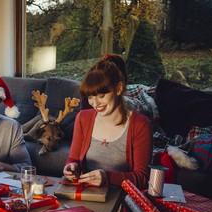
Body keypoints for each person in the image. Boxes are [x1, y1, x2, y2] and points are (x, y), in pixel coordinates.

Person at [63, 57, 153, 188]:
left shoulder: (140, 125)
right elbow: (73, 158)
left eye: (101, 96)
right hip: (86, 194)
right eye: (90, 97)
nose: (95, 103)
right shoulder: (82, 118)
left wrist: (108, 178)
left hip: (121, 199)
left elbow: (142, 178)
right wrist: (71, 166)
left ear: (118, 89)